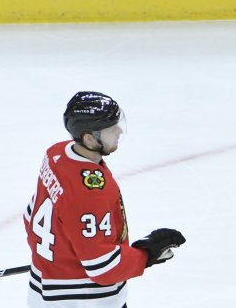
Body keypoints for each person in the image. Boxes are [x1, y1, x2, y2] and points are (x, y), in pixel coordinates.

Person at [23, 91, 186, 307]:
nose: (118, 131)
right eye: (111, 129)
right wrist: (147, 255)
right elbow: (103, 268)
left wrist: (56, 258)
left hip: (44, 287)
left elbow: (31, 213)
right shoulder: (91, 192)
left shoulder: (56, 154)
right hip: (81, 299)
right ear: (89, 138)